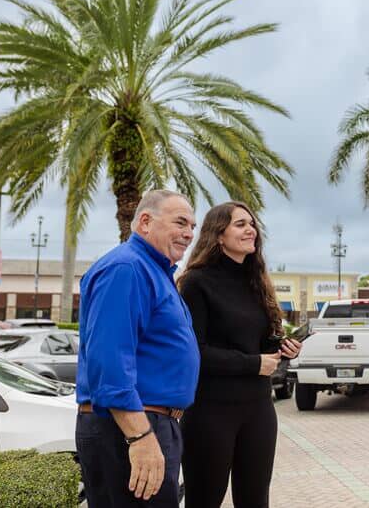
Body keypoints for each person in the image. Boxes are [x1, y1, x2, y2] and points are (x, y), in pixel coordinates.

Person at [75, 190, 199, 508]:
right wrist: (140, 436)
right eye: (180, 223)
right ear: (145, 222)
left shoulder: (154, 271)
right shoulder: (126, 268)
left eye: (192, 226)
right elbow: (109, 361)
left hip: (149, 424)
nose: (189, 233)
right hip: (130, 427)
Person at [177, 201, 302, 508]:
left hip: (258, 409)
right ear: (218, 234)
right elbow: (195, 352)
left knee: (255, 501)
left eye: (252, 224)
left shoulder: (256, 281)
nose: (251, 230)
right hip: (210, 411)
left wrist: (282, 349)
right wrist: (254, 364)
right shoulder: (196, 282)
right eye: (240, 224)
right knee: (204, 501)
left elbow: (258, 344)